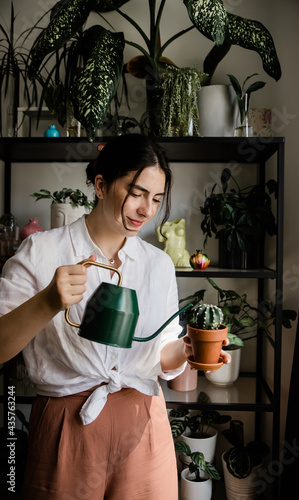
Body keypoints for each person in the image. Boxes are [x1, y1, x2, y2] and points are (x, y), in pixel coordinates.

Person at [0, 134, 230, 499]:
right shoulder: (41, 252)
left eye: (156, 199)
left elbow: (160, 355)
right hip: (67, 425)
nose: (147, 210)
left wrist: (188, 351)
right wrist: (47, 302)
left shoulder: (158, 265)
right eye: (137, 193)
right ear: (102, 185)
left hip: (143, 424)